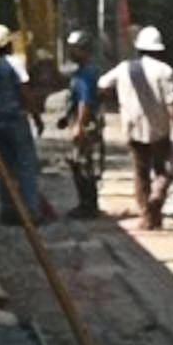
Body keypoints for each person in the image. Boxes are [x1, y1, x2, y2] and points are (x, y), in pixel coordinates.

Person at [98, 25, 173, 230]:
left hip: (133, 129)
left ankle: (147, 217)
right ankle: (159, 192)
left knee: (141, 172)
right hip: (159, 130)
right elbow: (172, 103)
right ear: (159, 49)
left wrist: (118, 98)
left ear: (139, 48)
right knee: (164, 169)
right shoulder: (165, 71)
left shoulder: (125, 67)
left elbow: (102, 84)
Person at [0, 23, 44, 225]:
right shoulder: (15, 63)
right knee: (26, 165)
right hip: (15, 119)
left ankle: (9, 211)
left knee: (5, 168)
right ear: (9, 44)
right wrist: (37, 117)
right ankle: (30, 212)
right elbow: (25, 91)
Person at [58, 30, 102, 219]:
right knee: (80, 163)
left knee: (83, 164)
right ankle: (86, 203)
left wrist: (79, 126)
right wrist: (66, 118)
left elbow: (84, 101)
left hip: (86, 123)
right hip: (81, 120)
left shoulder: (86, 73)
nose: (70, 52)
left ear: (84, 50)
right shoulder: (81, 71)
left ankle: (88, 206)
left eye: (74, 48)